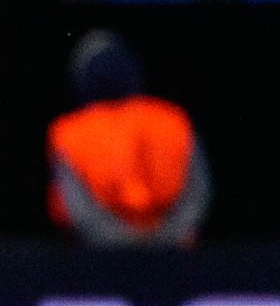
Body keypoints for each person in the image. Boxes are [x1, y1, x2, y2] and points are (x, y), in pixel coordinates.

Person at [48, 30, 210, 247]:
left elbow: (79, 211)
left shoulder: (69, 133)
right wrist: (166, 240)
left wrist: (126, 247)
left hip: (101, 259)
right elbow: (198, 194)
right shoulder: (173, 120)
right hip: (173, 255)